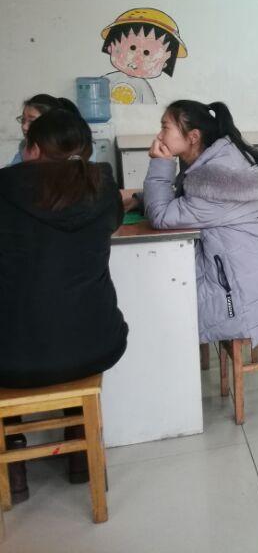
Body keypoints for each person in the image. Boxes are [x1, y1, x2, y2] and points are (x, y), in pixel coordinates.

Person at [0, 108, 129, 502]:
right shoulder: (102, 187)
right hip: (96, 344)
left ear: (33, 148)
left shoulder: (4, 186)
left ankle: (14, 468)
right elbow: (112, 220)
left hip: (10, 360)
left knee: (13, 331)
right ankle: (78, 449)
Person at [142, 101, 258, 346]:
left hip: (246, 300)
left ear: (193, 137)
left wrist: (160, 164)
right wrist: (141, 198)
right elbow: (185, 203)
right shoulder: (221, 160)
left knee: (157, 308)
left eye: (165, 127)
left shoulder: (212, 180)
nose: (159, 135)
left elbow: (161, 217)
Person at [9, 94, 83, 165]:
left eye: (32, 121)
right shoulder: (24, 149)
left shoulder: (73, 154)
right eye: (23, 120)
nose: (24, 127)